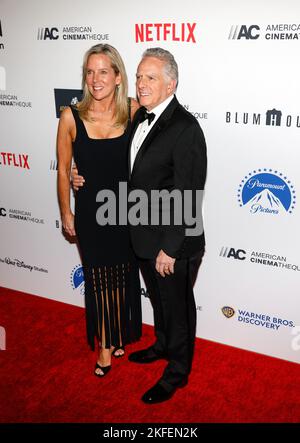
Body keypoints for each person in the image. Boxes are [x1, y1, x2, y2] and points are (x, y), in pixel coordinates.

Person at [72, 47, 207, 403]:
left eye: (150, 78)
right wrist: (77, 172)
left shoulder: (185, 128)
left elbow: (188, 193)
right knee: (161, 304)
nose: (141, 84)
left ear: (170, 83)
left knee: (178, 308)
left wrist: (170, 248)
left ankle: (177, 373)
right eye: (139, 76)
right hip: (144, 237)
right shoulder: (139, 117)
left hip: (172, 243)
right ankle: (162, 346)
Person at [57, 43, 142, 378]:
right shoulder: (71, 116)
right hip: (91, 213)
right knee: (98, 279)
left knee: (122, 277)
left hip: (125, 212)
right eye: (90, 72)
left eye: (103, 71)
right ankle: (105, 345)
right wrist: (66, 213)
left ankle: (119, 332)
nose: (95, 79)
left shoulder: (133, 111)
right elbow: (64, 170)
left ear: (118, 76)